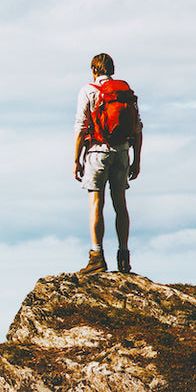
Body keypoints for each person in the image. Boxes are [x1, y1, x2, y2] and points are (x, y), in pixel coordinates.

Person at [74, 53, 142, 274]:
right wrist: (137, 160)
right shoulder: (125, 93)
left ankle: (97, 257)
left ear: (94, 69)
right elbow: (138, 129)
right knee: (120, 205)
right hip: (122, 152)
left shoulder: (88, 90)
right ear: (113, 69)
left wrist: (76, 160)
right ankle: (123, 257)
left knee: (97, 204)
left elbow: (81, 128)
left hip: (97, 152)